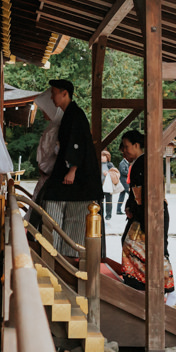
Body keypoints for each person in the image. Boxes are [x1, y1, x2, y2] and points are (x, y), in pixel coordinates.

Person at [43, 79, 103, 257]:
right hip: (72, 173)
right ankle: (59, 252)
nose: (52, 97)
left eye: (54, 93)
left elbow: (77, 144)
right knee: (59, 207)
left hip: (78, 175)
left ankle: (69, 254)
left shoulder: (74, 114)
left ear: (64, 93)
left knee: (75, 214)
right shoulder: (70, 114)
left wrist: (73, 169)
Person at [118, 130, 175, 296]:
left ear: (136, 145)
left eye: (126, 147)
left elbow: (147, 193)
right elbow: (134, 192)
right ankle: (139, 283)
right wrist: (130, 207)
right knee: (130, 244)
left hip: (151, 213)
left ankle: (167, 289)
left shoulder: (146, 162)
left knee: (155, 250)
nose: (124, 150)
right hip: (142, 212)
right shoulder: (139, 162)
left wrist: (140, 215)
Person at [30, 88, 62, 204]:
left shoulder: (58, 128)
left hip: (51, 177)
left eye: (45, 109)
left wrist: (46, 169)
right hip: (45, 175)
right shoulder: (51, 127)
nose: (43, 112)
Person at [100, 150, 118, 220]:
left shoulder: (110, 165)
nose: (102, 157)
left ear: (107, 157)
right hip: (100, 186)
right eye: (101, 156)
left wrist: (108, 173)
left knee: (108, 201)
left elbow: (115, 174)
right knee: (100, 201)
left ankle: (108, 215)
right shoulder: (98, 163)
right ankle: (100, 213)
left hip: (108, 186)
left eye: (104, 156)